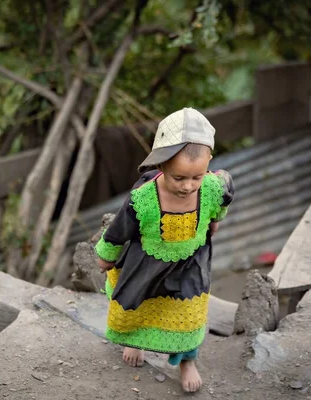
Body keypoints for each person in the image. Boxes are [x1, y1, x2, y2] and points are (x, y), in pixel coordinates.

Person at [95, 107, 234, 393]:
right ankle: (137, 343)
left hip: (190, 263)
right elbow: (119, 231)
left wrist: (216, 221)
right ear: (161, 166)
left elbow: (224, 196)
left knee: (190, 316)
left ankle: (186, 361)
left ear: (208, 163)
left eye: (196, 177)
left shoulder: (211, 187)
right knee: (140, 305)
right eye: (179, 178)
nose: (188, 186)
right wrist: (105, 257)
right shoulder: (143, 200)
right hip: (147, 265)